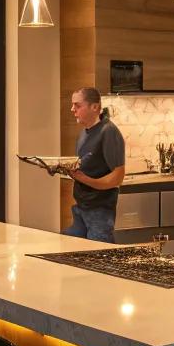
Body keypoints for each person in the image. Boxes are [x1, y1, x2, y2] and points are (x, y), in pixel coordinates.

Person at [63, 86, 125, 244]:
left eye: (77, 105)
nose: (72, 109)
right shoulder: (84, 132)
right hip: (81, 208)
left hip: (100, 211)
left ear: (95, 107)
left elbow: (117, 178)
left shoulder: (108, 132)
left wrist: (85, 179)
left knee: (100, 261)